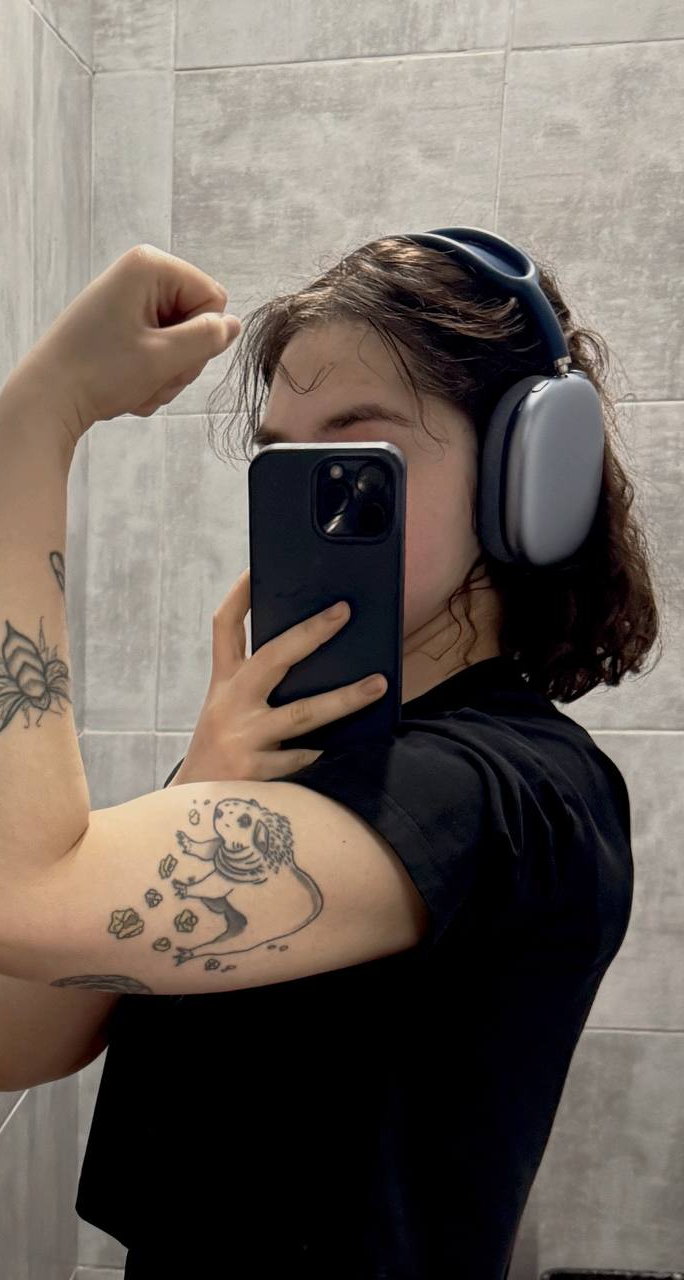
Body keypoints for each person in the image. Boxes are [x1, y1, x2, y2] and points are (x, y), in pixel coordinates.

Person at [74, 234, 659, 1279]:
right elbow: (10, 1041)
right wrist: (201, 780)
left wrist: (41, 420)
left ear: (526, 483)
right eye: (281, 459)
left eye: (357, 456)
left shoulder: (506, 792)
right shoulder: (260, 756)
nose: (312, 503)